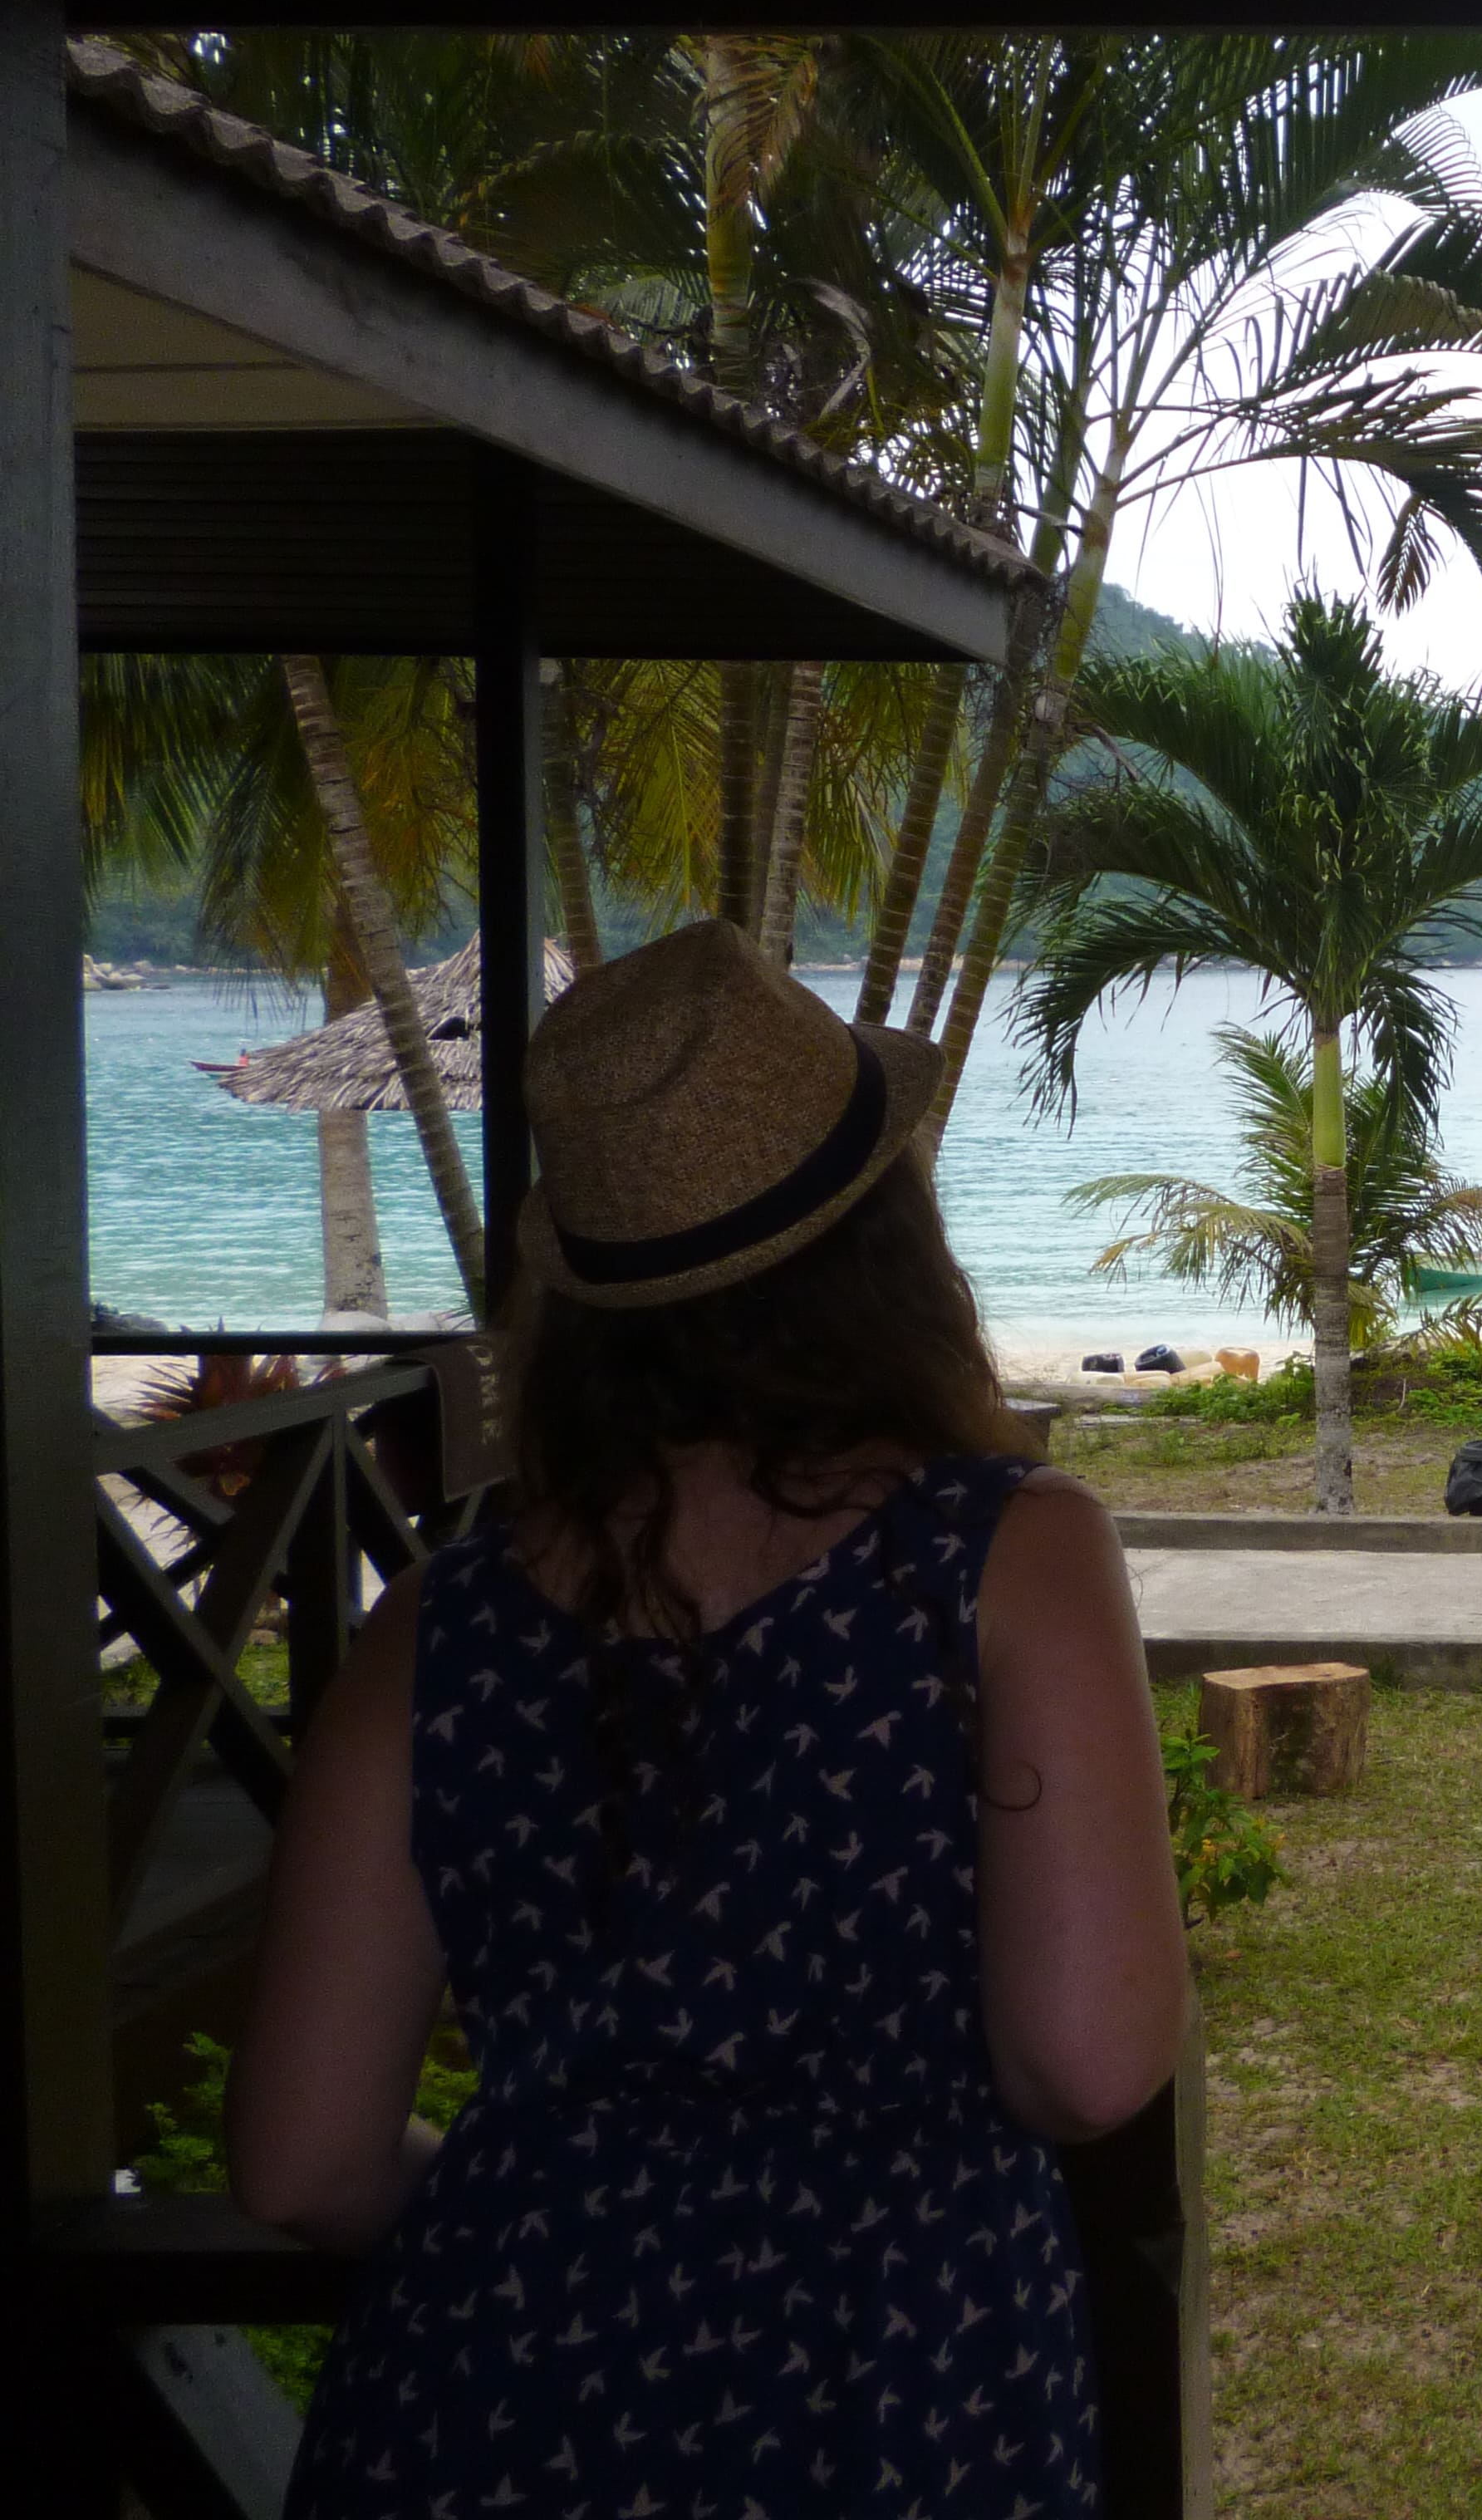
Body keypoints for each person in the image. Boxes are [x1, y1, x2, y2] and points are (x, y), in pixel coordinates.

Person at [231, 920, 1190, 2519]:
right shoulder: (1002, 1557)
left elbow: (300, 2162)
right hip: (895, 2377)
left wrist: (566, 2214)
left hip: (484, 2398)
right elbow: (1088, 2068)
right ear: (886, 1239)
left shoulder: (439, 1624)